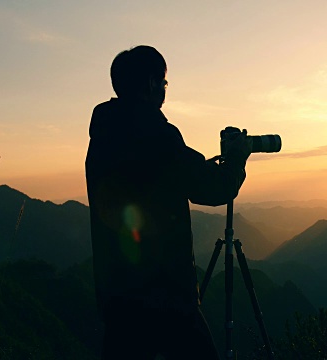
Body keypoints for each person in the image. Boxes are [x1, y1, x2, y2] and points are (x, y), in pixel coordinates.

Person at [85, 45, 251, 360]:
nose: (164, 91)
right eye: (163, 84)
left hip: (116, 293)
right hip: (165, 294)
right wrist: (237, 160)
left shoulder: (103, 135)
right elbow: (212, 188)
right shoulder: (155, 134)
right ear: (149, 84)